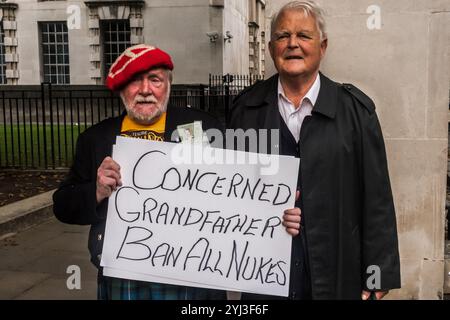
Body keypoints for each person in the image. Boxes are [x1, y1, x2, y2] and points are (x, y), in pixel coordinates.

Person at [229, 1, 401, 300]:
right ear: (271, 48)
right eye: (283, 36)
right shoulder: (246, 110)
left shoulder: (356, 113)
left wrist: (377, 275)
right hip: (266, 272)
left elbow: (377, 199)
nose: (292, 44)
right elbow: (228, 190)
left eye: (303, 36)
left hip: (337, 270)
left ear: (322, 46)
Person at [53, 44, 226, 300]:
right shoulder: (97, 138)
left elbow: (233, 195)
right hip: (124, 274)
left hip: (190, 271)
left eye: (155, 79)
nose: (145, 90)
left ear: (168, 85)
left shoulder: (200, 129)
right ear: (122, 88)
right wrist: (97, 191)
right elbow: (63, 205)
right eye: (135, 81)